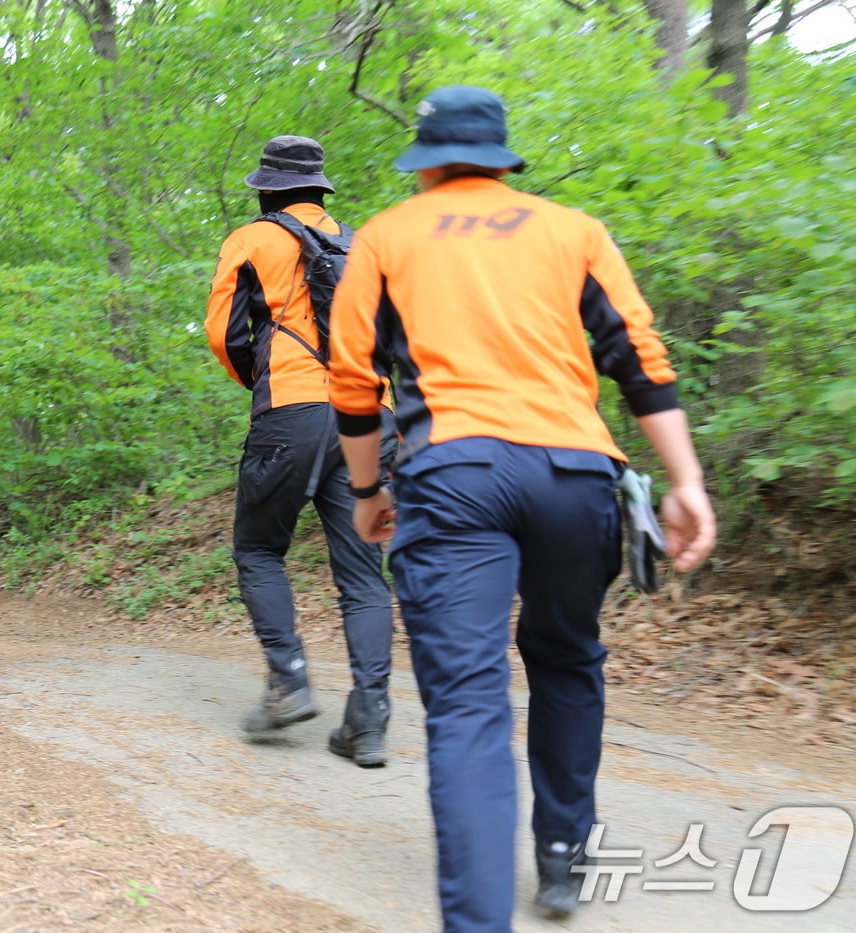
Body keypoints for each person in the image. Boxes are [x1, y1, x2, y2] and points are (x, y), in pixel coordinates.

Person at [327, 86, 717, 930]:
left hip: (455, 473)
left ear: (424, 164)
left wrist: (367, 493)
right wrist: (686, 480)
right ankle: (564, 861)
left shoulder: (388, 236)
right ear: (504, 158)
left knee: (468, 701)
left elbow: (353, 382)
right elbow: (638, 357)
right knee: (568, 655)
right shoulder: (573, 231)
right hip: (576, 476)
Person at [204, 134, 398, 767]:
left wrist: (264, 381)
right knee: (364, 576)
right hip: (372, 414)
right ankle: (368, 722)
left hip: (293, 411)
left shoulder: (251, 240)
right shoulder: (364, 243)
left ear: (266, 188)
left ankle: (288, 680)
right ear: (320, 189)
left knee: (258, 549)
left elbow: (225, 335)